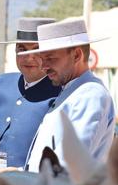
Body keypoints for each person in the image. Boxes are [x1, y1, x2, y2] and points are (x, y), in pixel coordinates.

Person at [19, 19, 115, 171]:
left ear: (77, 55)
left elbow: (68, 165)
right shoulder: (74, 91)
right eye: (42, 59)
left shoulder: (90, 95)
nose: (44, 67)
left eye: (50, 58)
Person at [0, 18, 61, 170]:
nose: (29, 58)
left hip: (27, 182)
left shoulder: (59, 92)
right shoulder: (3, 83)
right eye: (22, 49)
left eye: (37, 50)